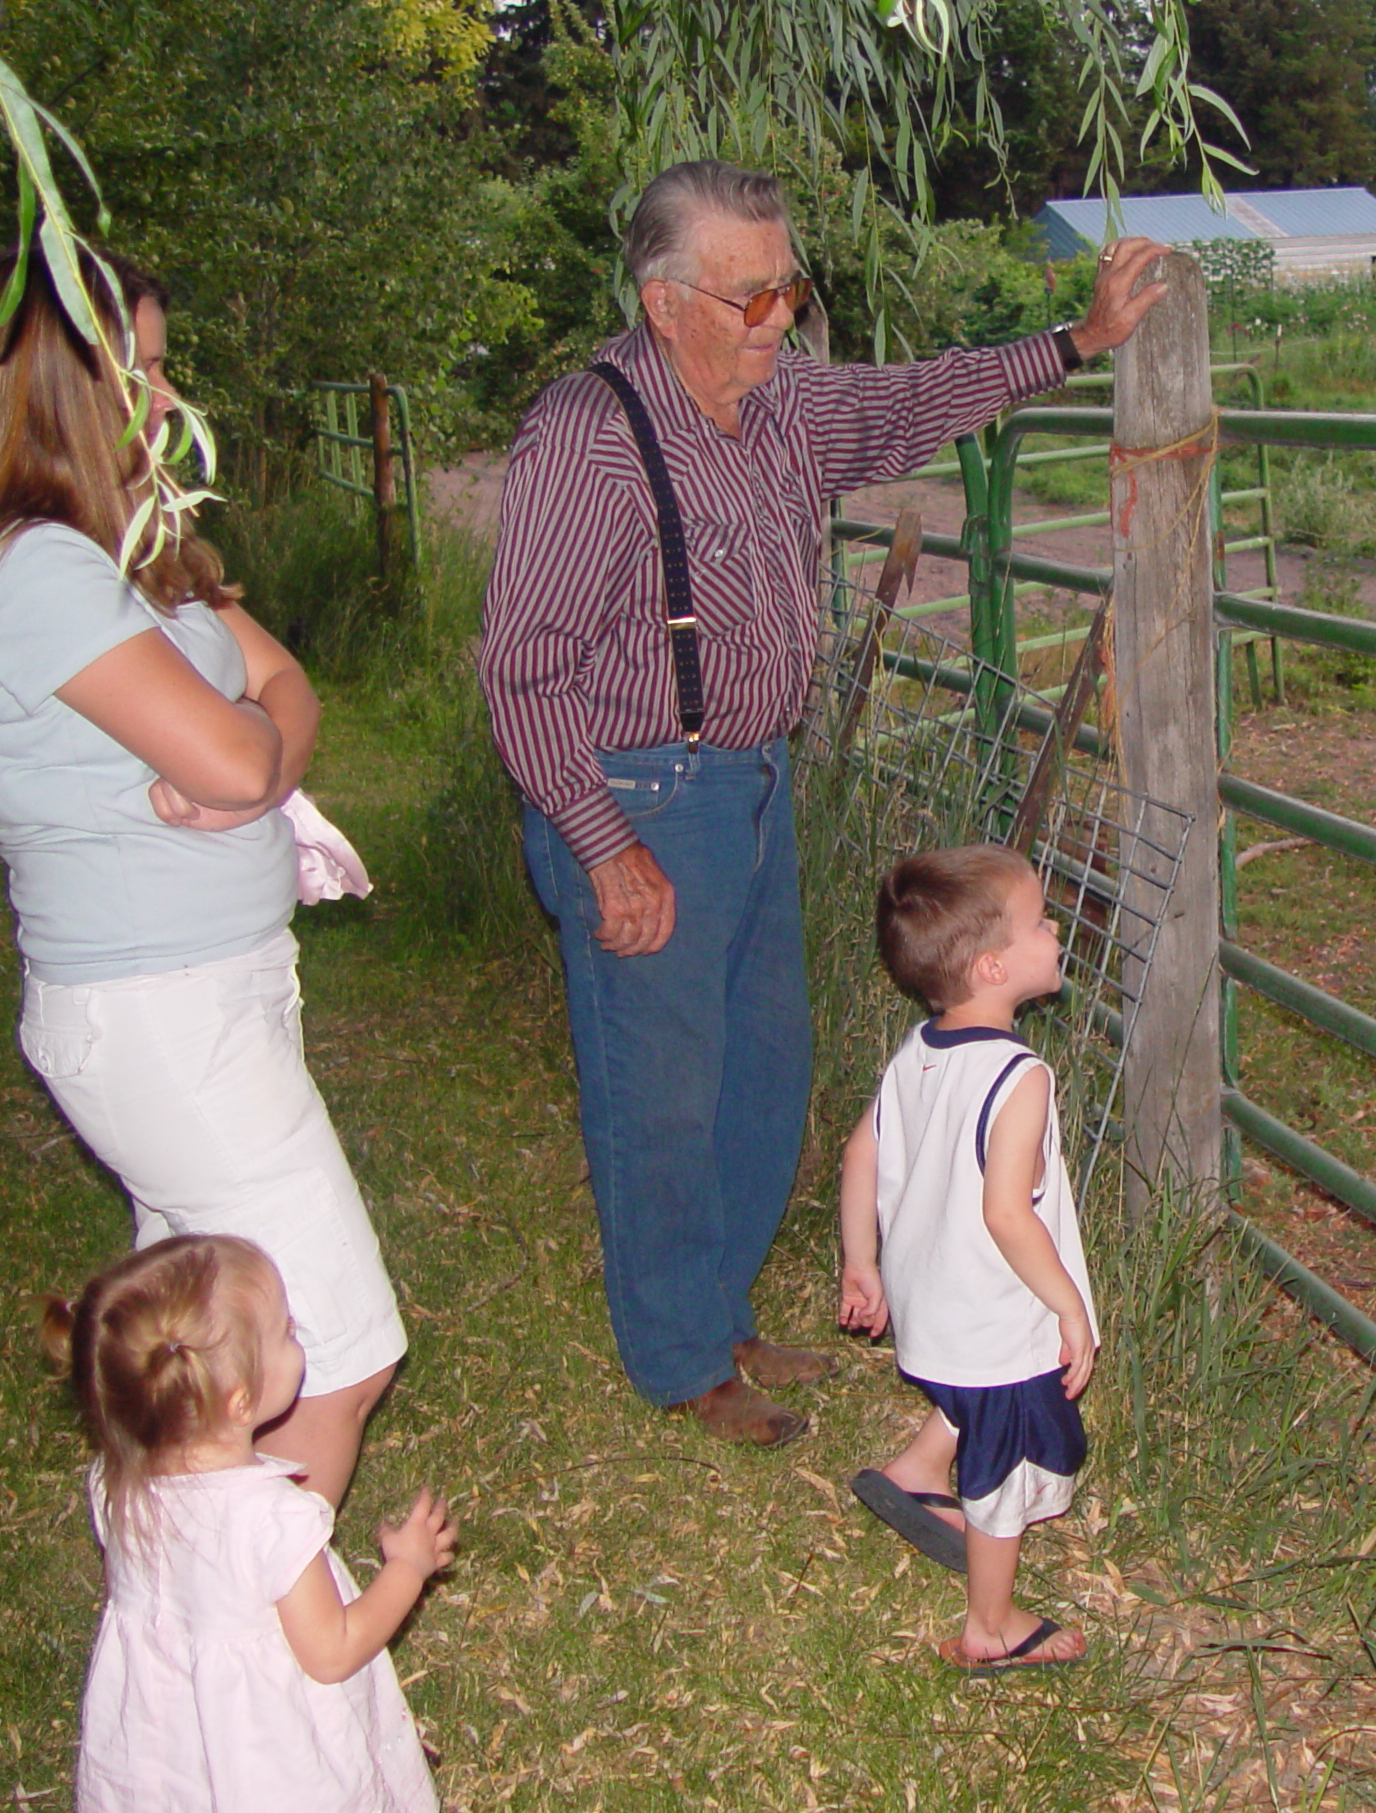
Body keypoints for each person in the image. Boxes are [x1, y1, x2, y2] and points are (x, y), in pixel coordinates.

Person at [479, 158, 1165, 1445]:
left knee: (761, 1067)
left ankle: (720, 1308)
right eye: (754, 298)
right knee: (661, 1089)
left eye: (791, 287)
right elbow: (522, 667)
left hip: (749, 781)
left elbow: (914, 402)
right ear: (663, 301)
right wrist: (602, 845)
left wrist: (1074, 340)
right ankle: (679, 1356)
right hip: (633, 791)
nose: (782, 318)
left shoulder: (783, 402)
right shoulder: (586, 436)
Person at [0, 244, 405, 1509]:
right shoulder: (38, 574)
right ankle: (268, 1677)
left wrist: (255, 750)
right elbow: (244, 750)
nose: (171, 400)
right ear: (57, 391)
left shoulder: (135, 545)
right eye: (144, 371)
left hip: (214, 999)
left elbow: (285, 691)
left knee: (201, 1379)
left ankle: (182, 1662)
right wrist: (249, 751)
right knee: (329, 1354)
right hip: (162, 1020)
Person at [44, 1235, 453, 1813]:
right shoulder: (272, 1519)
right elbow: (332, 1650)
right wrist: (407, 1569)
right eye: (286, 1331)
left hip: (166, 1749)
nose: (298, 1336)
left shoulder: (115, 1489)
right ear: (240, 1402)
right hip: (267, 1759)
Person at [838, 844, 1095, 1671]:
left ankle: (917, 1467)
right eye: (1039, 921)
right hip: (991, 1317)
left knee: (965, 1395)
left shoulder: (919, 1050)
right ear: (994, 965)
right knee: (1005, 1462)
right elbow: (1007, 1214)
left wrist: (861, 1263)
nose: (1055, 928)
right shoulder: (1021, 1077)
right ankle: (992, 1625)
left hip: (927, 1300)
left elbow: (859, 1155)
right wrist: (1066, 1305)